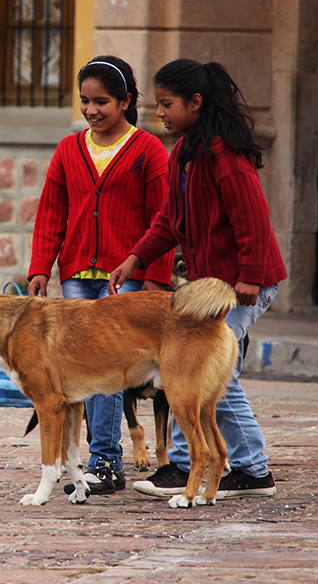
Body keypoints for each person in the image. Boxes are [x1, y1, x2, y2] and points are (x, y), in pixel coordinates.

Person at [109, 58, 287, 499]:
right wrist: (134, 259)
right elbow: (168, 221)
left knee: (210, 376)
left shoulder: (226, 157)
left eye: (167, 104)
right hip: (213, 285)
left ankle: (251, 470)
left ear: (195, 102)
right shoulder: (184, 153)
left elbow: (253, 223)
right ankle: (200, 465)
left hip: (246, 282)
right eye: (157, 105)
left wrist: (249, 278)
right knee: (206, 375)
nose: (160, 114)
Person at [27, 55, 173, 495]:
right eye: (85, 101)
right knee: (85, 368)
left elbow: (163, 219)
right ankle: (99, 460)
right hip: (75, 274)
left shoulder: (148, 149)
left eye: (102, 102)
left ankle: (106, 462)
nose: (92, 110)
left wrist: (156, 277)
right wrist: (40, 268)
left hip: (126, 277)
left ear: (126, 101)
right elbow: (50, 213)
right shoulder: (68, 150)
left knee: (108, 368)